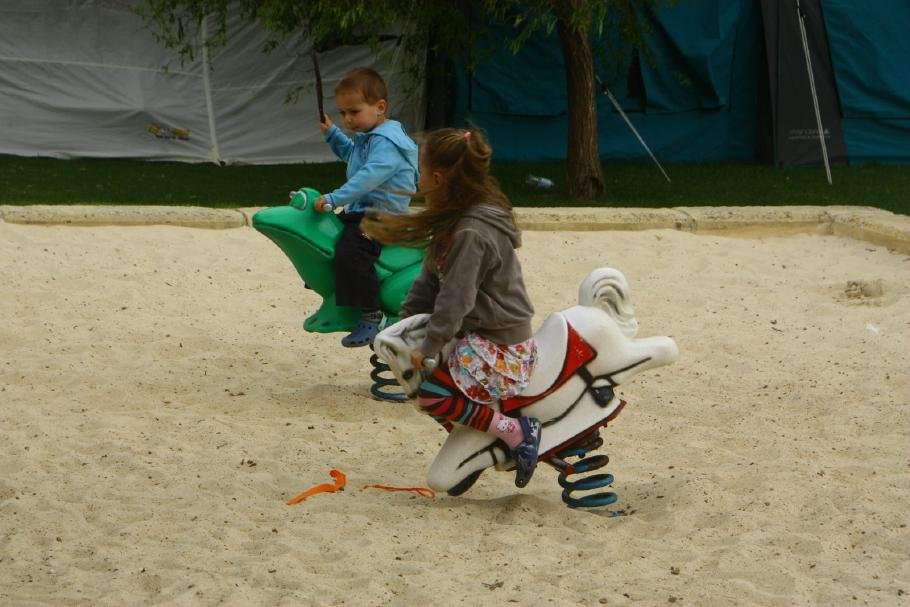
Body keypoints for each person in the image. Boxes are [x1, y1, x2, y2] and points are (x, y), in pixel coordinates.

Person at [362, 128, 541, 488]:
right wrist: (402, 326)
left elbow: (455, 298)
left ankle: (513, 432)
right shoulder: (452, 221)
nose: (417, 177)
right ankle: (473, 442)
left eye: (421, 170)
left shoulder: (470, 232)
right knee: (422, 386)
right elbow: (428, 283)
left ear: (439, 178)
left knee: (430, 392)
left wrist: (428, 348)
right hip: (477, 332)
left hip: (501, 344)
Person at [316, 67, 418, 347]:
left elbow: (367, 176)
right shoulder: (372, 136)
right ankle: (339, 291)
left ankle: (372, 315)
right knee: (333, 237)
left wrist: (334, 198)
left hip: (383, 216)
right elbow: (354, 158)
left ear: (380, 107)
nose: (348, 119)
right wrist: (334, 135)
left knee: (353, 253)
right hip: (365, 210)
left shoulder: (387, 143)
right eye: (343, 113)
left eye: (354, 112)